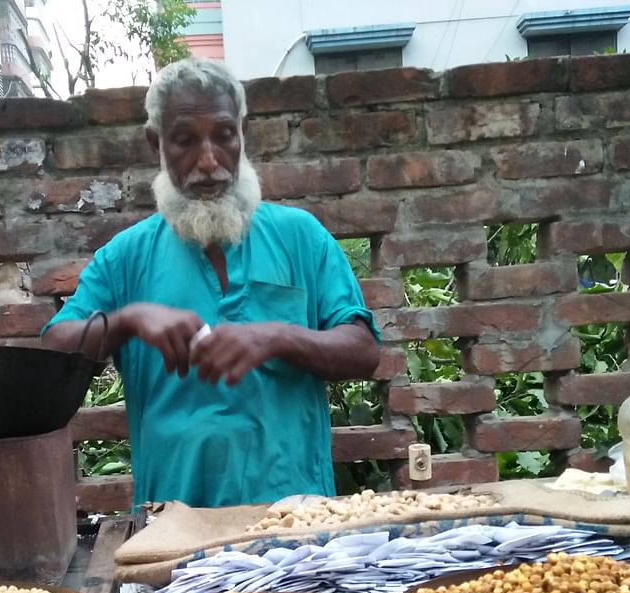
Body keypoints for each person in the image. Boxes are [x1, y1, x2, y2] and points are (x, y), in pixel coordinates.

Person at [42, 57, 381, 509]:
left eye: (224, 136)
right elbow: (51, 355)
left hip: (295, 525)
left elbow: (363, 349)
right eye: (184, 141)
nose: (208, 161)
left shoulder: (300, 237)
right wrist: (127, 321)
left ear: (243, 134)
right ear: (155, 144)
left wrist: (278, 336)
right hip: (173, 533)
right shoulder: (125, 258)